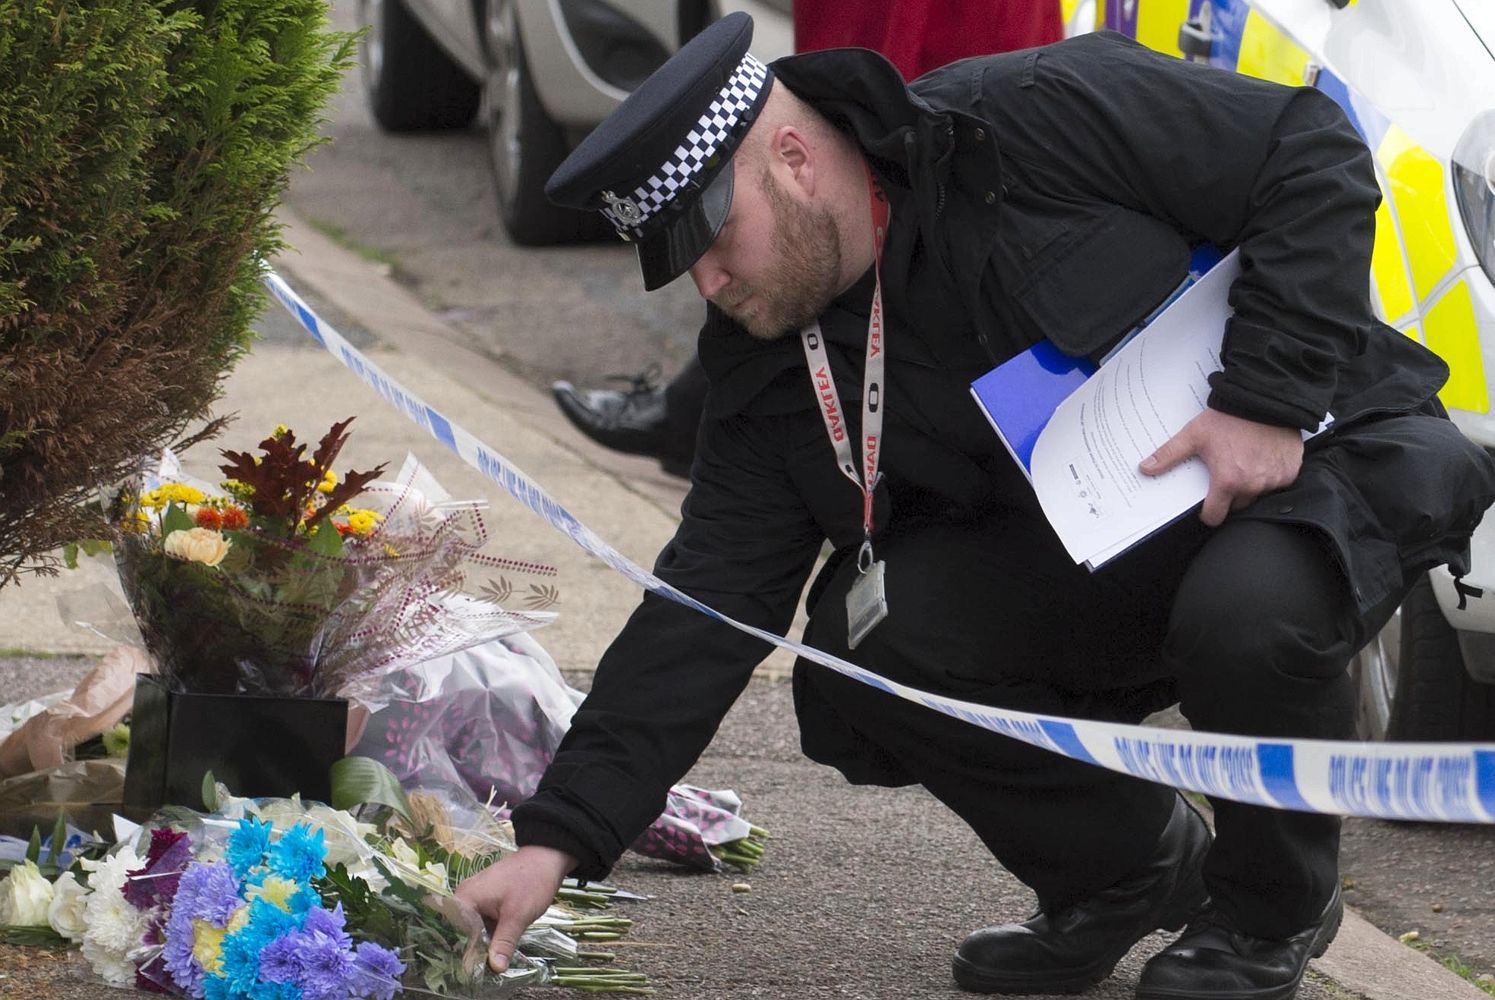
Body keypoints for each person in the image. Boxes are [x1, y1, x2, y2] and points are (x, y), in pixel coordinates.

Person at [457, 13, 1495, 999]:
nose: (711, 282)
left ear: (792, 156)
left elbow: (1311, 154)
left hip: (1304, 460)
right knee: (864, 644)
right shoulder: (768, 372)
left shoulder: (1033, 113)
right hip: (1106, 541)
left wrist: (1263, 398)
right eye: (684, 265)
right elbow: (702, 609)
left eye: (716, 239)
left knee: (1249, 612)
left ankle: (1271, 910)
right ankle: (1125, 868)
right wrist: (559, 839)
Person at [550, 1, 1064, 476]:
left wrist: (877, 123)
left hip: (940, 47)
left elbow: (864, 103)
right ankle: (715, 417)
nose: (704, 284)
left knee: (867, 226)